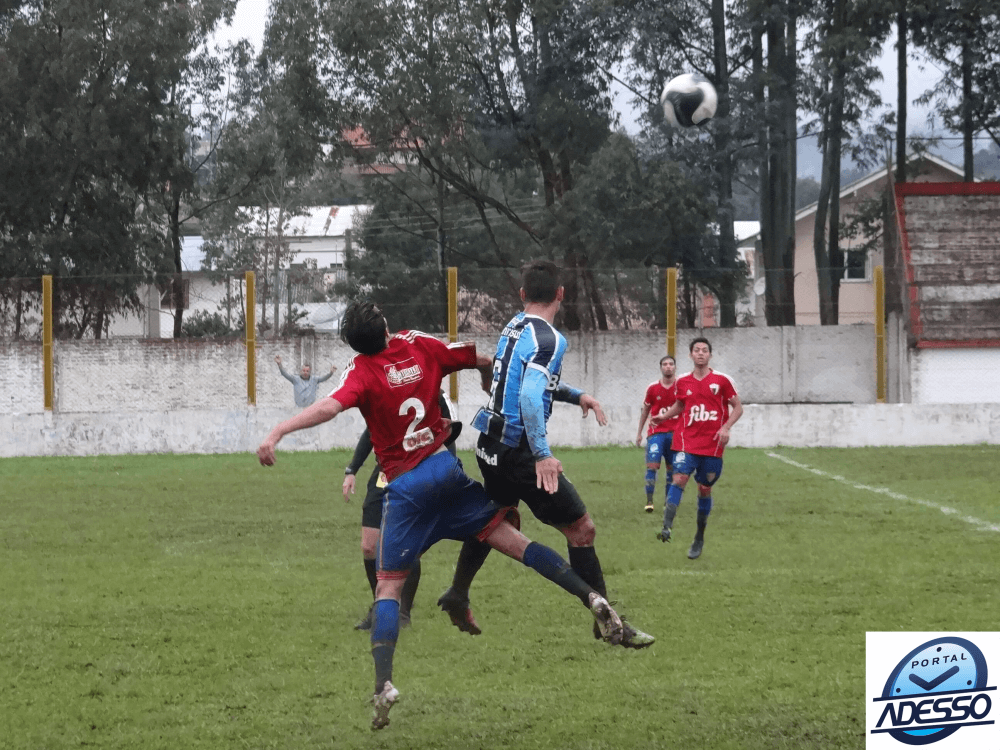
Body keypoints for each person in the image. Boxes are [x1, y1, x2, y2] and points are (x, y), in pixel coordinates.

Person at [257, 300, 626, 730]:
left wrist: (279, 430)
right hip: (445, 472)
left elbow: (330, 407)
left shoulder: (359, 370)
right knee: (514, 541)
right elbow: (476, 356)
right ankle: (592, 597)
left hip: (407, 490)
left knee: (388, 588)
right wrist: (487, 373)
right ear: (387, 325)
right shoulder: (418, 344)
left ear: (354, 343)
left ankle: (384, 684)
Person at [437, 260, 655, 650]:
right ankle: (611, 624)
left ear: (522, 295)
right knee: (581, 529)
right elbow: (528, 396)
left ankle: (457, 591)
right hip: (519, 452)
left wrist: (577, 395)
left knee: (493, 517)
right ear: (561, 294)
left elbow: (529, 381)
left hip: (489, 443)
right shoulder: (551, 338)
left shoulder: (514, 326)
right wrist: (542, 454)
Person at [343, 392, 460, 631]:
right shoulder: (385, 387)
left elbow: (448, 435)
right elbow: (371, 432)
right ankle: (381, 605)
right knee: (369, 546)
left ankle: (402, 612)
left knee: (408, 548)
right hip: (385, 472)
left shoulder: (434, 390)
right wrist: (352, 469)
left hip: (419, 472)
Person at [651, 337, 743, 560]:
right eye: (696, 350)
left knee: (704, 489)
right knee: (679, 478)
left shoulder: (721, 381)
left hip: (712, 445)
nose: (700, 353)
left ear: (710, 355)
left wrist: (726, 428)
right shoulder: (683, 382)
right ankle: (667, 526)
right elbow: (680, 405)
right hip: (686, 441)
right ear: (691, 355)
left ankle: (699, 535)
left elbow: (738, 408)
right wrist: (664, 416)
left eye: (704, 350)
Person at [635, 355, 679, 514]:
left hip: (675, 433)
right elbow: (645, 410)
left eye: (671, 364)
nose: (668, 367)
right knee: (652, 466)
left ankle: (668, 503)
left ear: (675, 367)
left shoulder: (681, 386)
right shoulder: (653, 388)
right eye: (665, 364)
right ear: (661, 368)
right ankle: (649, 501)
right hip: (656, 433)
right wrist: (639, 433)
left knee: (672, 469)